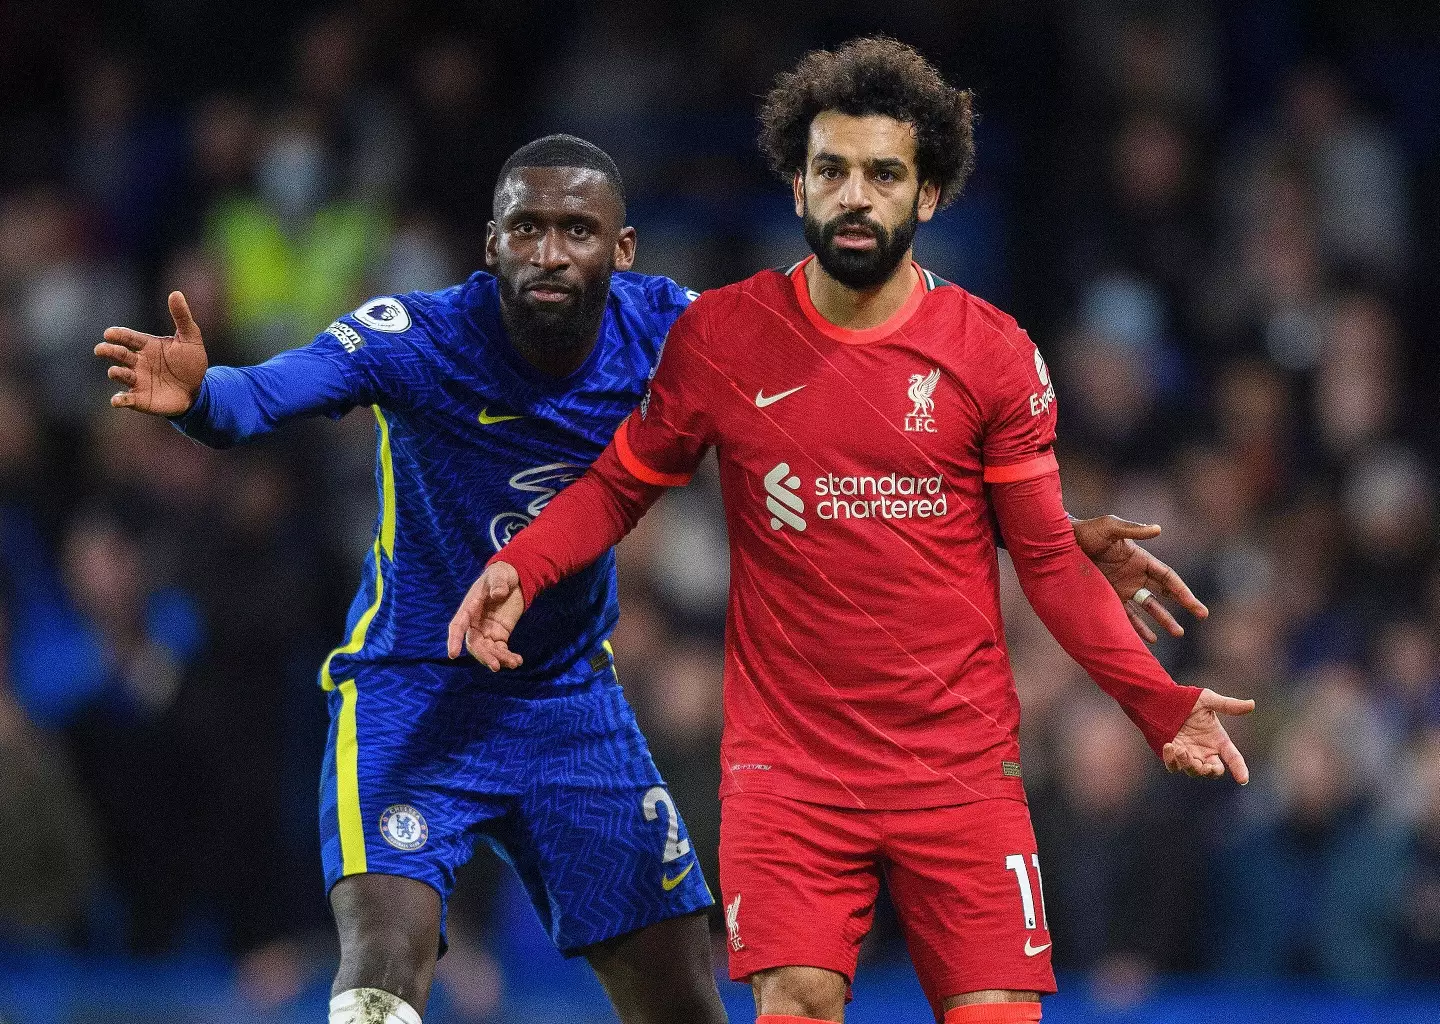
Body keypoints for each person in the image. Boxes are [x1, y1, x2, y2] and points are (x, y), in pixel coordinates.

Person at [99, 132, 1199, 1024]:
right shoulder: (416, 337)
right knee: (386, 942)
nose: (547, 251)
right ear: (489, 245)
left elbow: (852, 432)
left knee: (678, 992)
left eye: (574, 229)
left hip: (569, 699)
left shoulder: (680, 335)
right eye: (523, 228)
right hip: (410, 683)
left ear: (619, 250)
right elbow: (261, 398)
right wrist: (201, 396)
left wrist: (1032, 524)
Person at [449, 40, 1252, 1024]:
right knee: (798, 1000)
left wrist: (1158, 704)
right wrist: (520, 565)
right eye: (832, 170)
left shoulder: (991, 353)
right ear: (797, 185)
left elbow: (1045, 556)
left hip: (958, 767)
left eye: (884, 173)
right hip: (789, 772)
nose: (856, 195)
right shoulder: (721, 338)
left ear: (929, 197)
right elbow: (620, 485)